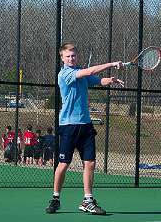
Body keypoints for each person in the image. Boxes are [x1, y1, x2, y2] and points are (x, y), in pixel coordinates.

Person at [46, 42, 124, 215]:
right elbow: (89, 72)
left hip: (86, 126)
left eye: (73, 55)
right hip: (68, 126)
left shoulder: (80, 72)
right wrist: (111, 64)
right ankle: (55, 198)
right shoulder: (65, 74)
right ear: (62, 58)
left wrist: (110, 80)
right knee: (63, 164)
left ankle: (87, 200)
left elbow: (97, 80)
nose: (71, 58)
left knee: (89, 163)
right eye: (68, 56)